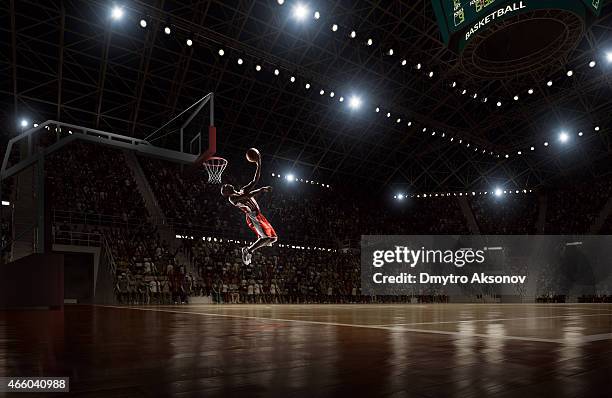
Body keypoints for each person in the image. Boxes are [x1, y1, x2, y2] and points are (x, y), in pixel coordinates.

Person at [220, 149, 277, 265]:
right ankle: (248, 250)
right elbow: (247, 195)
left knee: (273, 238)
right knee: (266, 238)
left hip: (259, 215)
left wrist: (259, 164)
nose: (225, 185)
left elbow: (255, 180)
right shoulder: (232, 198)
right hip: (252, 217)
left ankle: (250, 249)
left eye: (225, 185)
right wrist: (261, 190)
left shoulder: (242, 190)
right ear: (226, 193)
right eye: (224, 188)